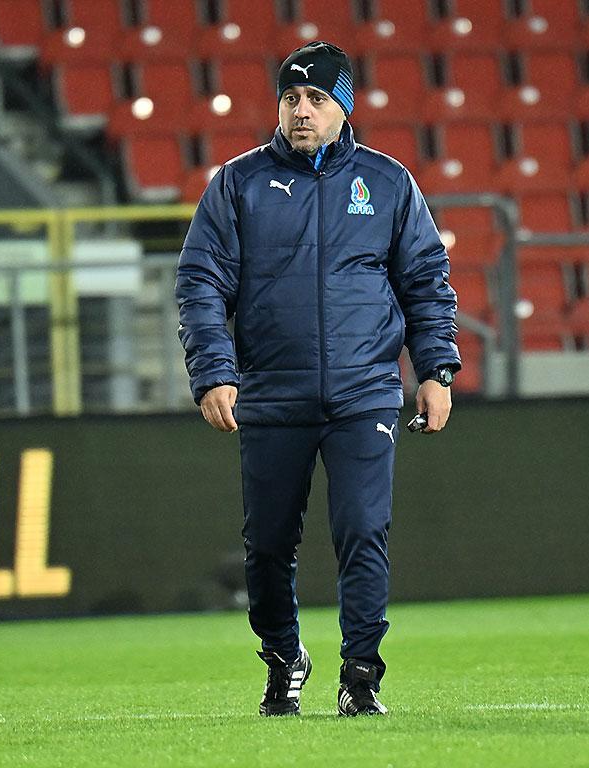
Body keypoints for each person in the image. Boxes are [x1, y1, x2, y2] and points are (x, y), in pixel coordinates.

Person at [176, 41, 460, 717]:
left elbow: (426, 282)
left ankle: (360, 677)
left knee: (363, 531)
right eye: (291, 98)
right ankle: (283, 658)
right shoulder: (238, 184)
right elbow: (200, 282)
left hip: (365, 393)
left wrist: (436, 369)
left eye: (317, 98)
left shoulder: (388, 183)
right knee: (269, 545)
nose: (301, 111)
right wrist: (213, 371)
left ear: (343, 108)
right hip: (272, 394)